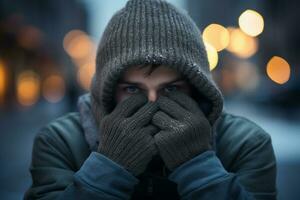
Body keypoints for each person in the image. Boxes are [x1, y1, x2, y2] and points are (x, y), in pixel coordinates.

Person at [24, 0, 277, 199]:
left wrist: (197, 164)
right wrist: (110, 165)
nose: (152, 103)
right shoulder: (60, 142)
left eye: (171, 89)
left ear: (196, 89)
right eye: (133, 90)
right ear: (109, 90)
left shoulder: (246, 144)